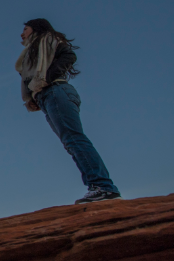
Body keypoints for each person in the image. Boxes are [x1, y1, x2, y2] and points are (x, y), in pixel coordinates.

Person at [15, 18, 122, 204]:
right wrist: (33, 95)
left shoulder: (48, 39)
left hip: (56, 91)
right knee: (70, 142)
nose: (22, 33)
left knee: (74, 139)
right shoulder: (32, 50)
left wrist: (47, 78)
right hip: (48, 96)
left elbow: (69, 56)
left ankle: (103, 187)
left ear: (36, 28)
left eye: (25, 28)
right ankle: (98, 187)